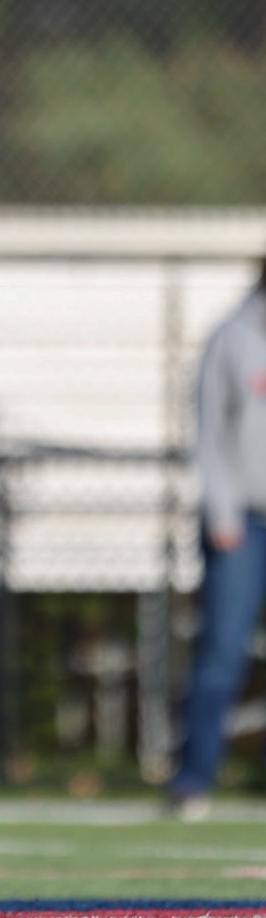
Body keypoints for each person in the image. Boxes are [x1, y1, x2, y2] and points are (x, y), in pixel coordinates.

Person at [169, 253, 266, 820]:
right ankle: (193, 778)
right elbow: (208, 435)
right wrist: (222, 516)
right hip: (243, 525)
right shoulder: (232, 338)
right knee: (221, 655)